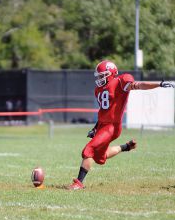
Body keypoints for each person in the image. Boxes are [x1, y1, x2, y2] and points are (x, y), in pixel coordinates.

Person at [69, 60, 175, 190]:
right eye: (99, 75)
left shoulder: (120, 82)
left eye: (103, 75)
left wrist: (159, 84)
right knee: (99, 158)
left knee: (88, 150)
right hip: (102, 125)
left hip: (112, 127)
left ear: (112, 73)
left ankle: (78, 183)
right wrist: (95, 128)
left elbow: (140, 85)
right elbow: (103, 111)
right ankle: (126, 147)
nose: (100, 78)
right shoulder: (98, 90)